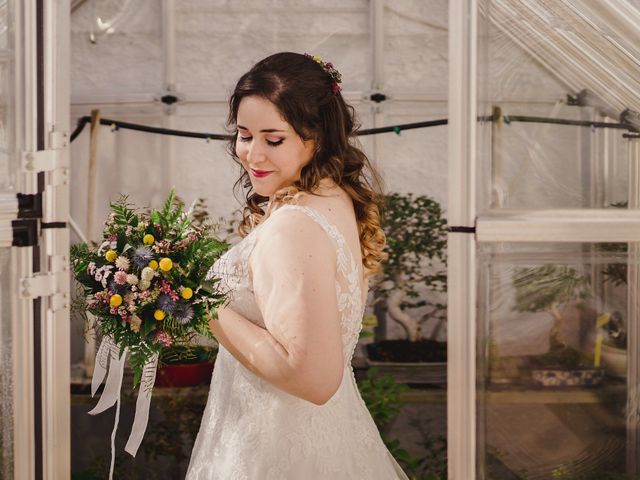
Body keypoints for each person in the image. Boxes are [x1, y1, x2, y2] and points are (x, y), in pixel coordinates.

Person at [186, 51, 410, 480]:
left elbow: (312, 379)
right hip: (319, 440)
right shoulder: (332, 196)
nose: (252, 154)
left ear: (317, 137)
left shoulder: (294, 226)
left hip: (273, 450)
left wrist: (196, 301)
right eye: (244, 134)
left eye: (273, 139)